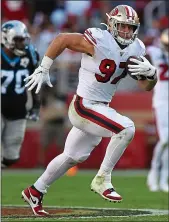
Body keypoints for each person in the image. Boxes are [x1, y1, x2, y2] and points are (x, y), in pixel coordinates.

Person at [22, 5, 157, 216]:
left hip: (99, 108)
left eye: (130, 28)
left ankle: (35, 190)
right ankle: (103, 178)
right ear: (112, 24)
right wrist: (44, 67)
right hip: (84, 105)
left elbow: (146, 86)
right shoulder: (99, 39)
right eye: (122, 26)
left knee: (72, 156)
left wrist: (152, 75)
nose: (126, 32)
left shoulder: (136, 48)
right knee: (126, 128)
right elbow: (62, 39)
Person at [1, 20, 40, 168]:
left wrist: (36, 105)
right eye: (17, 39)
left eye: (23, 39)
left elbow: (35, 81)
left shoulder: (30, 54)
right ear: (5, 39)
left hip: (18, 106)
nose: (21, 43)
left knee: (12, 155)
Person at [146, 29, 169, 192]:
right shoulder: (155, 52)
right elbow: (141, 49)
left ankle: (163, 180)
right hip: (161, 101)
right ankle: (153, 175)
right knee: (165, 139)